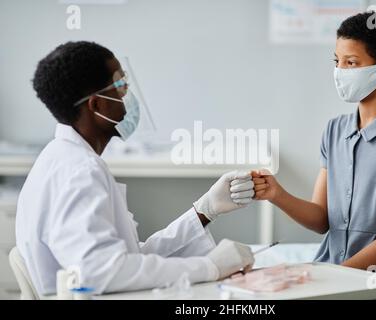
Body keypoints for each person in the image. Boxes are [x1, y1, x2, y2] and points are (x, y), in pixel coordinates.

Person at [16, 41, 255, 296]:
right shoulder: (80, 171)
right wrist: (210, 267)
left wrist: (204, 211)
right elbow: (103, 272)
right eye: (120, 85)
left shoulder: (60, 157)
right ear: (96, 105)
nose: (128, 93)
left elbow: (130, 258)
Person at [252, 12, 376, 299]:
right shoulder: (335, 131)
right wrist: (276, 194)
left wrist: (334, 277)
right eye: (337, 61)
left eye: (351, 63)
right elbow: (322, 219)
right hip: (338, 273)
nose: (340, 71)